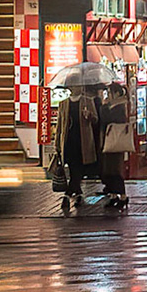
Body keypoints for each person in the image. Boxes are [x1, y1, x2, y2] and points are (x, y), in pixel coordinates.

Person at [53, 83, 104, 213]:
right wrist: (57, 144)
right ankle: (78, 193)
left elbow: (96, 120)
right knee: (73, 167)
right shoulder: (63, 103)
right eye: (76, 85)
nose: (79, 87)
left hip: (83, 141)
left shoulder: (88, 101)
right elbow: (60, 124)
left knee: (79, 167)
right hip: (68, 141)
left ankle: (67, 194)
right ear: (70, 88)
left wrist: (89, 115)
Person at [97, 83, 131, 210]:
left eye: (110, 93)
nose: (108, 96)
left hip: (115, 143)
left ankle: (122, 196)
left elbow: (107, 120)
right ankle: (113, 196)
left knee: (114, 170)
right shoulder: (115, 105)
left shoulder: (120, 106)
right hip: (108, 141)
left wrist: (104, 106)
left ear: (116, 93)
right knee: (107, 170)